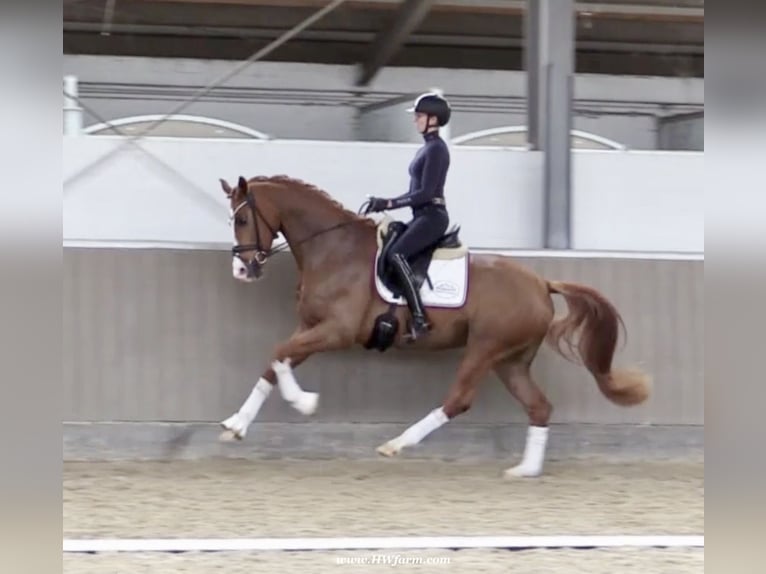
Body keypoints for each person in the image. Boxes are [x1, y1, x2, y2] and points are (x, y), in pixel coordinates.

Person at [366, 92, 452, 341]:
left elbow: (425, 193)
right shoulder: (427, 148)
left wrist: (390, 202)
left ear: (433, 119)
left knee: (397, 254)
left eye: (419, 116)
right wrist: (384, 202)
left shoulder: (437, 149)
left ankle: (420, 318)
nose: (415, 120)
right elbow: (415, 193)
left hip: (433, 216)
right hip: (422, 215)